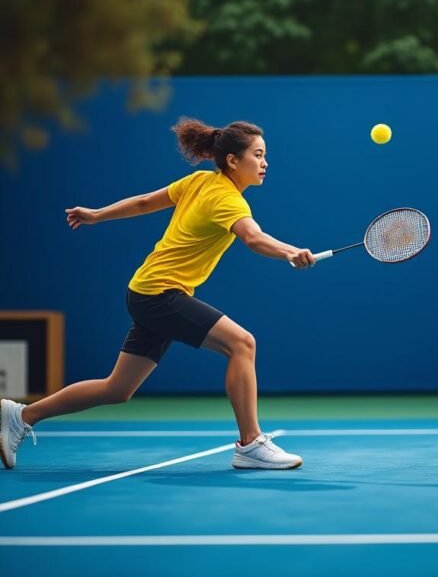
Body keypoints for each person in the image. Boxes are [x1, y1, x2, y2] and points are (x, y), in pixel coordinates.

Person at [1, 117, 316, 470]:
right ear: (232, 160)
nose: (264, 163)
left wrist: (97, 215)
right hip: (160, 294)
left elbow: (143, 203)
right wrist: (290, 252)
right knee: (242, 344)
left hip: (146, 290)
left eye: (264, 155)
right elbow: (253, 238)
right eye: (257, 155)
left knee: (116, 389)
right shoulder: (227, 200)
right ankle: (250, 443)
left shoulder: (200, 181)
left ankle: (20, 415)